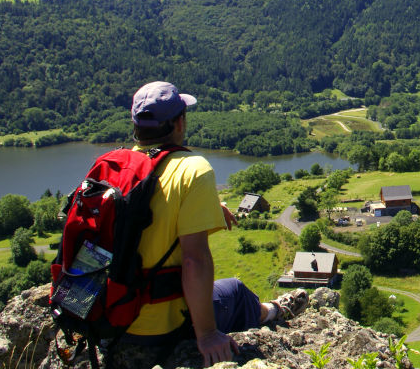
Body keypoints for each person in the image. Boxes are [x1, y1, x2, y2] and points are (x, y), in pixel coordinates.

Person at [121, 81, 307, 367]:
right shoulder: (192, 169)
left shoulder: (117, 167)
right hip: (157, 325)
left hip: (113, 313)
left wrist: (206, 207)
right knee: (234, 290)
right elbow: (194, 260)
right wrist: (207, 334)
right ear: (180, 122)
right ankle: (274, 312)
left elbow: (144, 223)